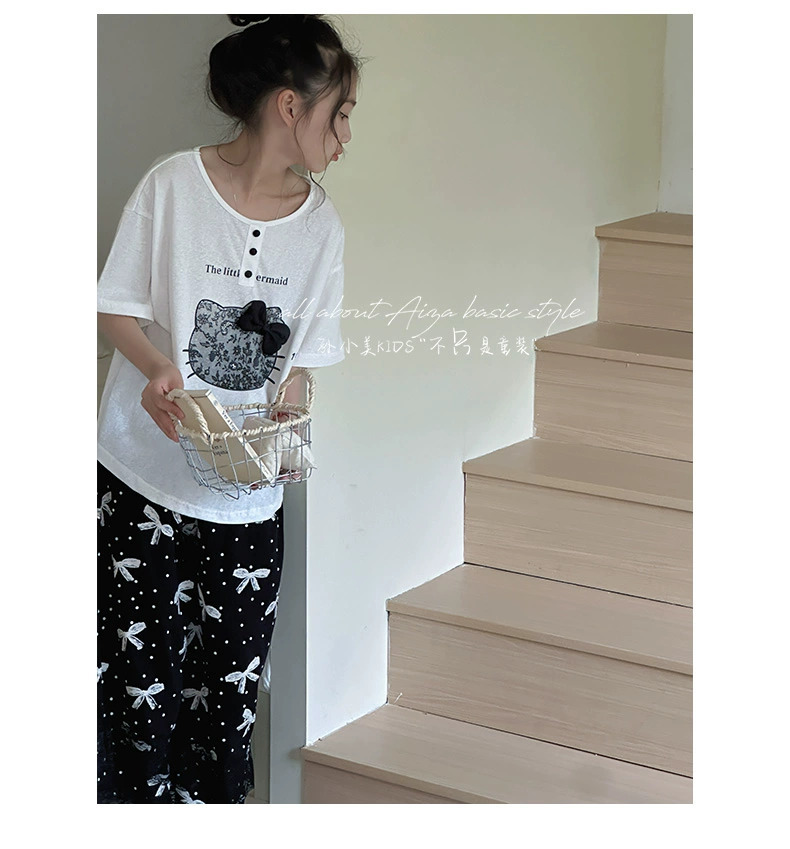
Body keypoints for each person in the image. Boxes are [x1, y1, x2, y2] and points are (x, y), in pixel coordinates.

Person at [97, 14, 361, 804]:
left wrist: (287, 420)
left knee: (227, 699)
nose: (347, 137)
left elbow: (301, 366)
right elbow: (114, 306)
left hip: (245, 502)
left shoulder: (322, 231)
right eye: (340, 114)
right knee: (133, 690)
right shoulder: (172, 186)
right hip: (139, 481)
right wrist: (158, 370)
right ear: (291, 105)